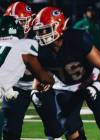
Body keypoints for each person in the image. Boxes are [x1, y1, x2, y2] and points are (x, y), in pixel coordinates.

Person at [33, 7, 100, 140]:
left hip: (90, 80)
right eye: (39, 31)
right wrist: (35, 90)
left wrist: (97, 86)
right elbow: (39, 73)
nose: (42, 35)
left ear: (60, 26)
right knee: (70, 130)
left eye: (46, 30)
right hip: (65, 87)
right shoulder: (40, 49)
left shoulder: (77, 38)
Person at [2, 2, 63, 140]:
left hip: (42, 85)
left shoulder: (41, 34)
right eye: (13, 21)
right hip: (15, 87)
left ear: (30, 21)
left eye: (21, 21)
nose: (17, 25)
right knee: (10, 130)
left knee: (54, 127)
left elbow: (52, 62)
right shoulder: (5, 36)